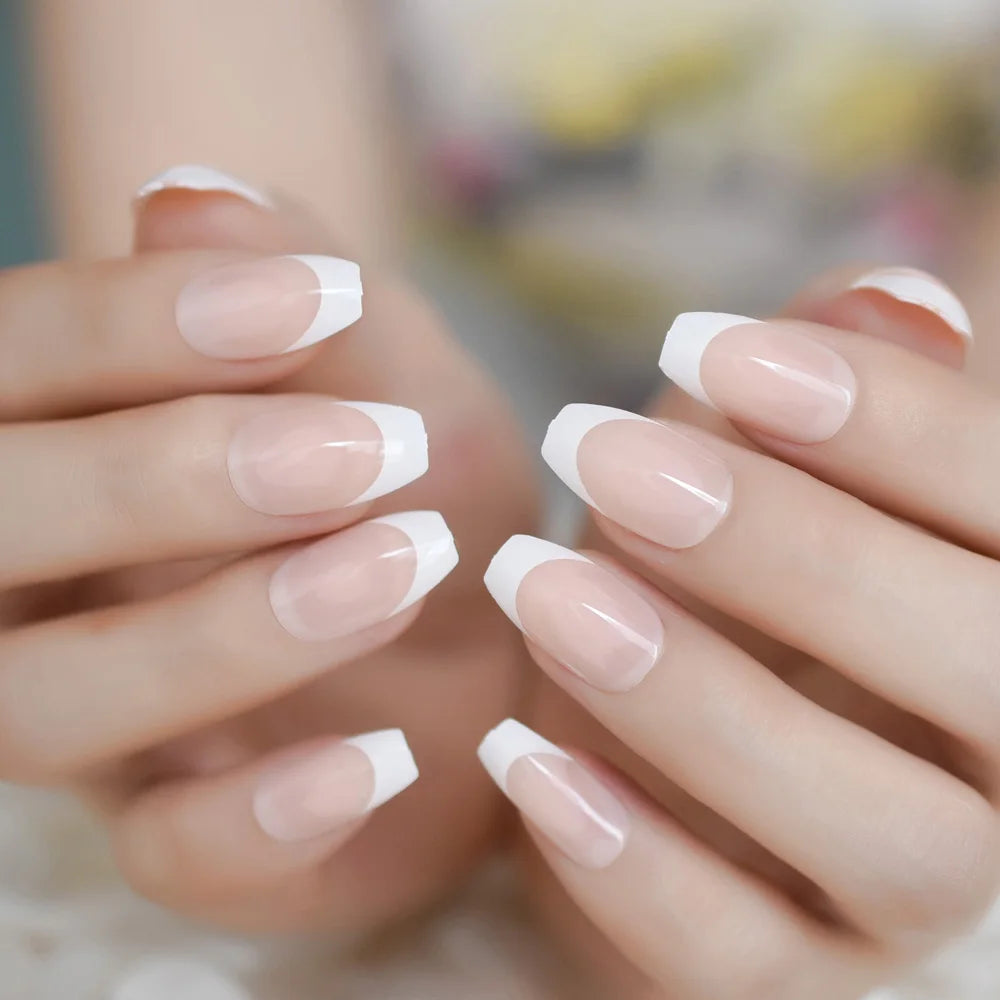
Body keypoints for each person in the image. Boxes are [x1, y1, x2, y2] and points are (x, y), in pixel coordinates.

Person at [5, 2, 1000, 996]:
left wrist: (904, 673)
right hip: (447, 511)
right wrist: (274, 605)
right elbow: (237, 332)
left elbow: (962, 468)